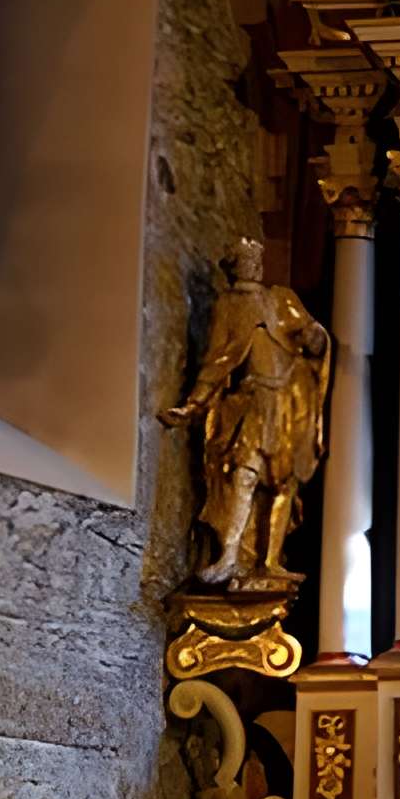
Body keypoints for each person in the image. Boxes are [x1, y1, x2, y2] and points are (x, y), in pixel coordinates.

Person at [162, 238, 331, 592]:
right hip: (253, 401)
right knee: (244, 476)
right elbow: (217, 359)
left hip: (288, 401)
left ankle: (270, 561)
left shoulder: (282, 298)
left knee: (284, 483)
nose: (253, 265)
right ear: (234, 267)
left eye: (256, 260)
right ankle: (230, 555)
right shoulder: (229, 305)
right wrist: (194, 404)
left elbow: (314, 339)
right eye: (245, 260)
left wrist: (314, 337)